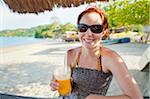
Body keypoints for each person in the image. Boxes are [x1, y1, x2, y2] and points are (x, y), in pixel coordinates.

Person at [50, 7, 143, 99]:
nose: (89, 33)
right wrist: (57, 84)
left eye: (96, 28)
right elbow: (68, 89)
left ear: (104, 32)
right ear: (78, 30)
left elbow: (136, 97)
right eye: (83, 28)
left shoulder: (110, 58)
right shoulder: (70, 54)